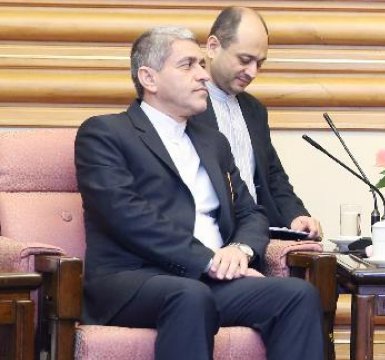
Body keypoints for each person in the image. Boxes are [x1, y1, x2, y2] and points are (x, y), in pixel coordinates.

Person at [75, 26, 325, 359]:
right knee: (190, 295)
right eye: (188, 65)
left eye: (202, 65)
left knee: (298, 294)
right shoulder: (105, 133)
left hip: (210, 281)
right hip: (134, 281)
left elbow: (251, 212)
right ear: (149, 78)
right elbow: (127, 216)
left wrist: (240, 249)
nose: (203, 75)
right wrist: (208, 260)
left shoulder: (212, 142)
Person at [192, 6, 323, 239]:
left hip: (259, 232)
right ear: (213, 47)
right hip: (209, 235)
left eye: (259, 63)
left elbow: (273, 177)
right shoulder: (186, 106)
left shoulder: (255, 110)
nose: (252, 72)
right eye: (245, 60)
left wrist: (296, 216)